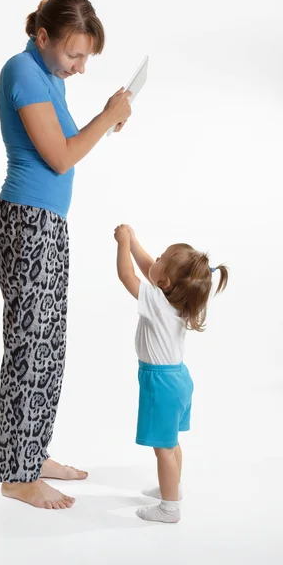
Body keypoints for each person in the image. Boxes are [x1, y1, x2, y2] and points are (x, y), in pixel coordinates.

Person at [0, 0, 132, 510]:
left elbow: (71, 140)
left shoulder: (49, 78)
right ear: (43, 37)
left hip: (46, 224)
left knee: (49, 348)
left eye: (85, 57)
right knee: (30, 349)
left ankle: (33, 453)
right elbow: (61, 155)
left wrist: (111, 118)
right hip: (26, 222)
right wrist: (106, 115)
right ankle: (17, 475)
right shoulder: (23, 71)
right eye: (74, 54)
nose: (79, 66)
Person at [114, 224, 228, 523]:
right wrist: (135, 242)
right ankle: (173, 488)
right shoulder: (176, 301)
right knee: (172, 441)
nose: (154, 259)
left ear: (163, 282)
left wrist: (124, 243)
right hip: (178, 378)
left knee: (162, 448)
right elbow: (150, 267)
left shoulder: (154, 300)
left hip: (160, 382)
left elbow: (128, 275)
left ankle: (169, 508)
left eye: (161, 258)